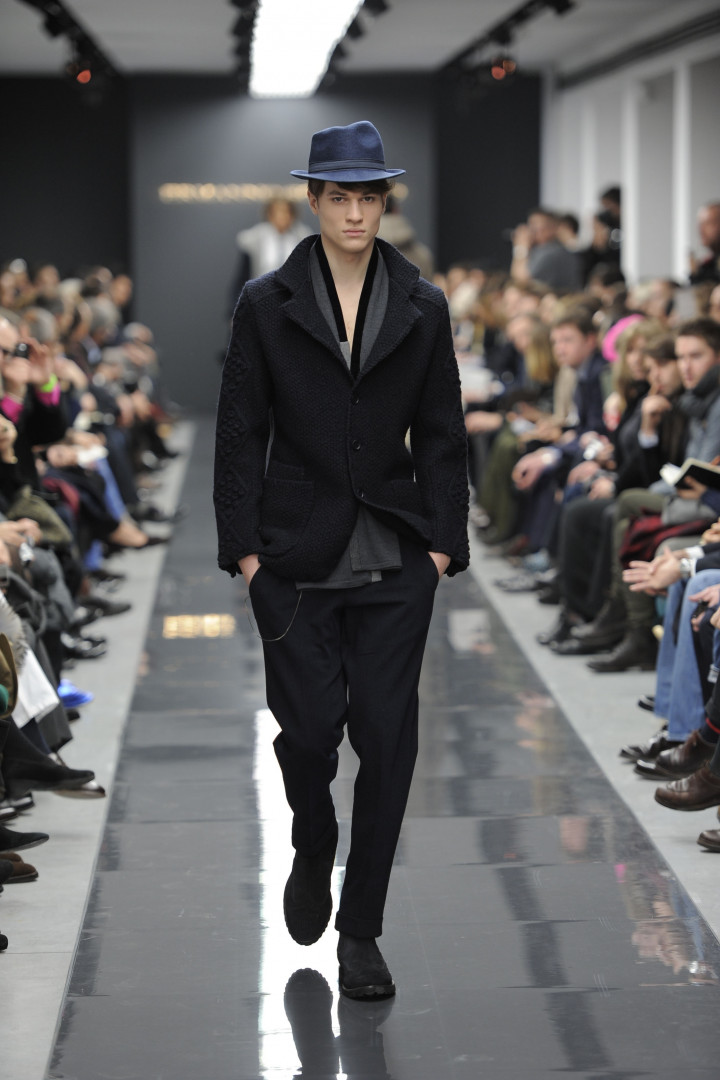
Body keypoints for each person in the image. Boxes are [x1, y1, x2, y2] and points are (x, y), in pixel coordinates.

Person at [214, 121, 469, 1000]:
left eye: (369, 197)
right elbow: (240, 432)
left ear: (383, 203)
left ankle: (361, 930)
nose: (355, 212)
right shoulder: (265, 303)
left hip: (396, 553)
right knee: (311, 735)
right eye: (339, 197)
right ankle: (313, 835)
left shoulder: (423, 303)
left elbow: (443, 432)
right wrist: (247, 555)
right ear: (313, 200)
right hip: (294, 553)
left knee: (389, 743)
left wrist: (441, 548)